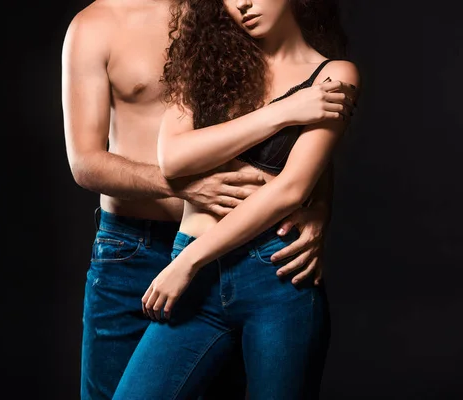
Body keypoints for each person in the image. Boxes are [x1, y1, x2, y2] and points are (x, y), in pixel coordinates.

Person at [61, 0, 352, 398]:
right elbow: (85, 163)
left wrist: (318, 206)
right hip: (131, 250)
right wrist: (181, 187)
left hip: (239, 250)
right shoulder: (97, 24)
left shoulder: (224, 13)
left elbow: (297, 125)